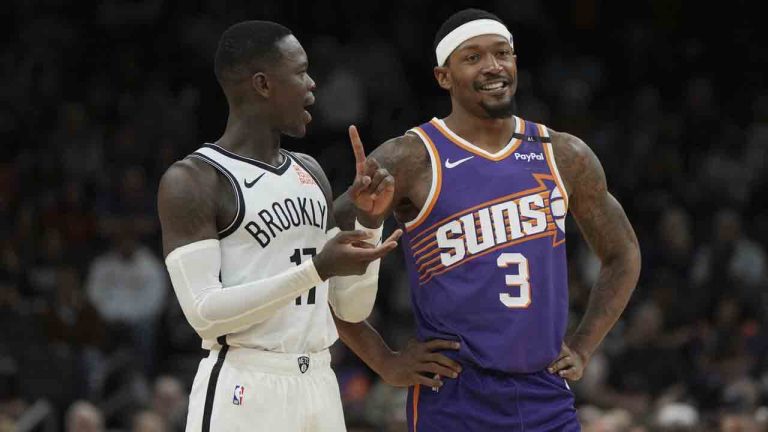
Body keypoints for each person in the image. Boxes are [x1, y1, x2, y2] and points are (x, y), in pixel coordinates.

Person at [332, 8, 642, 431]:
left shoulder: (564, 154)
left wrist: (584, 347)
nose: (493, 66)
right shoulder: (410, 158)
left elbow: (623, 253)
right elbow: (317, 262)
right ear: (444, 76)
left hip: (545, 391)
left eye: (502, 53)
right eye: (473, 57)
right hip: (455, 395)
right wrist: (383, 360)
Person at [157, 21, 405, 431]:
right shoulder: (194, 180)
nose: (312, 84)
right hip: (245, 385)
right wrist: (315, 270)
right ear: (263, 84)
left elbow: (351, 308)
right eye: (300, 71)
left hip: (320, 382)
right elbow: (205, 315)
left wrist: (369, 222)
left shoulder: (310, 171)